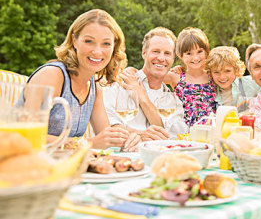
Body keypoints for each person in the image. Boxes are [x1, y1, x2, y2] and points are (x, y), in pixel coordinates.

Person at [21, 9, 140, 151]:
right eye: (89, 41)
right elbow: (28, 136)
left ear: (114, 47)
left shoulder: (95, 88)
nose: (97, 51)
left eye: (106, 44)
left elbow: (105, 138)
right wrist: (87, 143)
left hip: (64, 167)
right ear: (74, 40)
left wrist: (130, 138)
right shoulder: (52, 75)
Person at [104, 27, 188, 139]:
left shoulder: (173, 101)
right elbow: (106, 125)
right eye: (156, 51)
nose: (161, 58)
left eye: (167, 53)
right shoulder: (122, 83)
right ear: (144, 53)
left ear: (173, 59)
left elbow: (175, 136)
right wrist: (140, 134)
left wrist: (142, 97)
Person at [164, 27, 217, 127]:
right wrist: (131, 71)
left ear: (207, 51)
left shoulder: (214, 76)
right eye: (189, 53)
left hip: (210, 132)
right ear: (180, 55)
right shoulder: (175, 77)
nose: (195, 58)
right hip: (184, 134)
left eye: (200, 51)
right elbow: (151, 76)